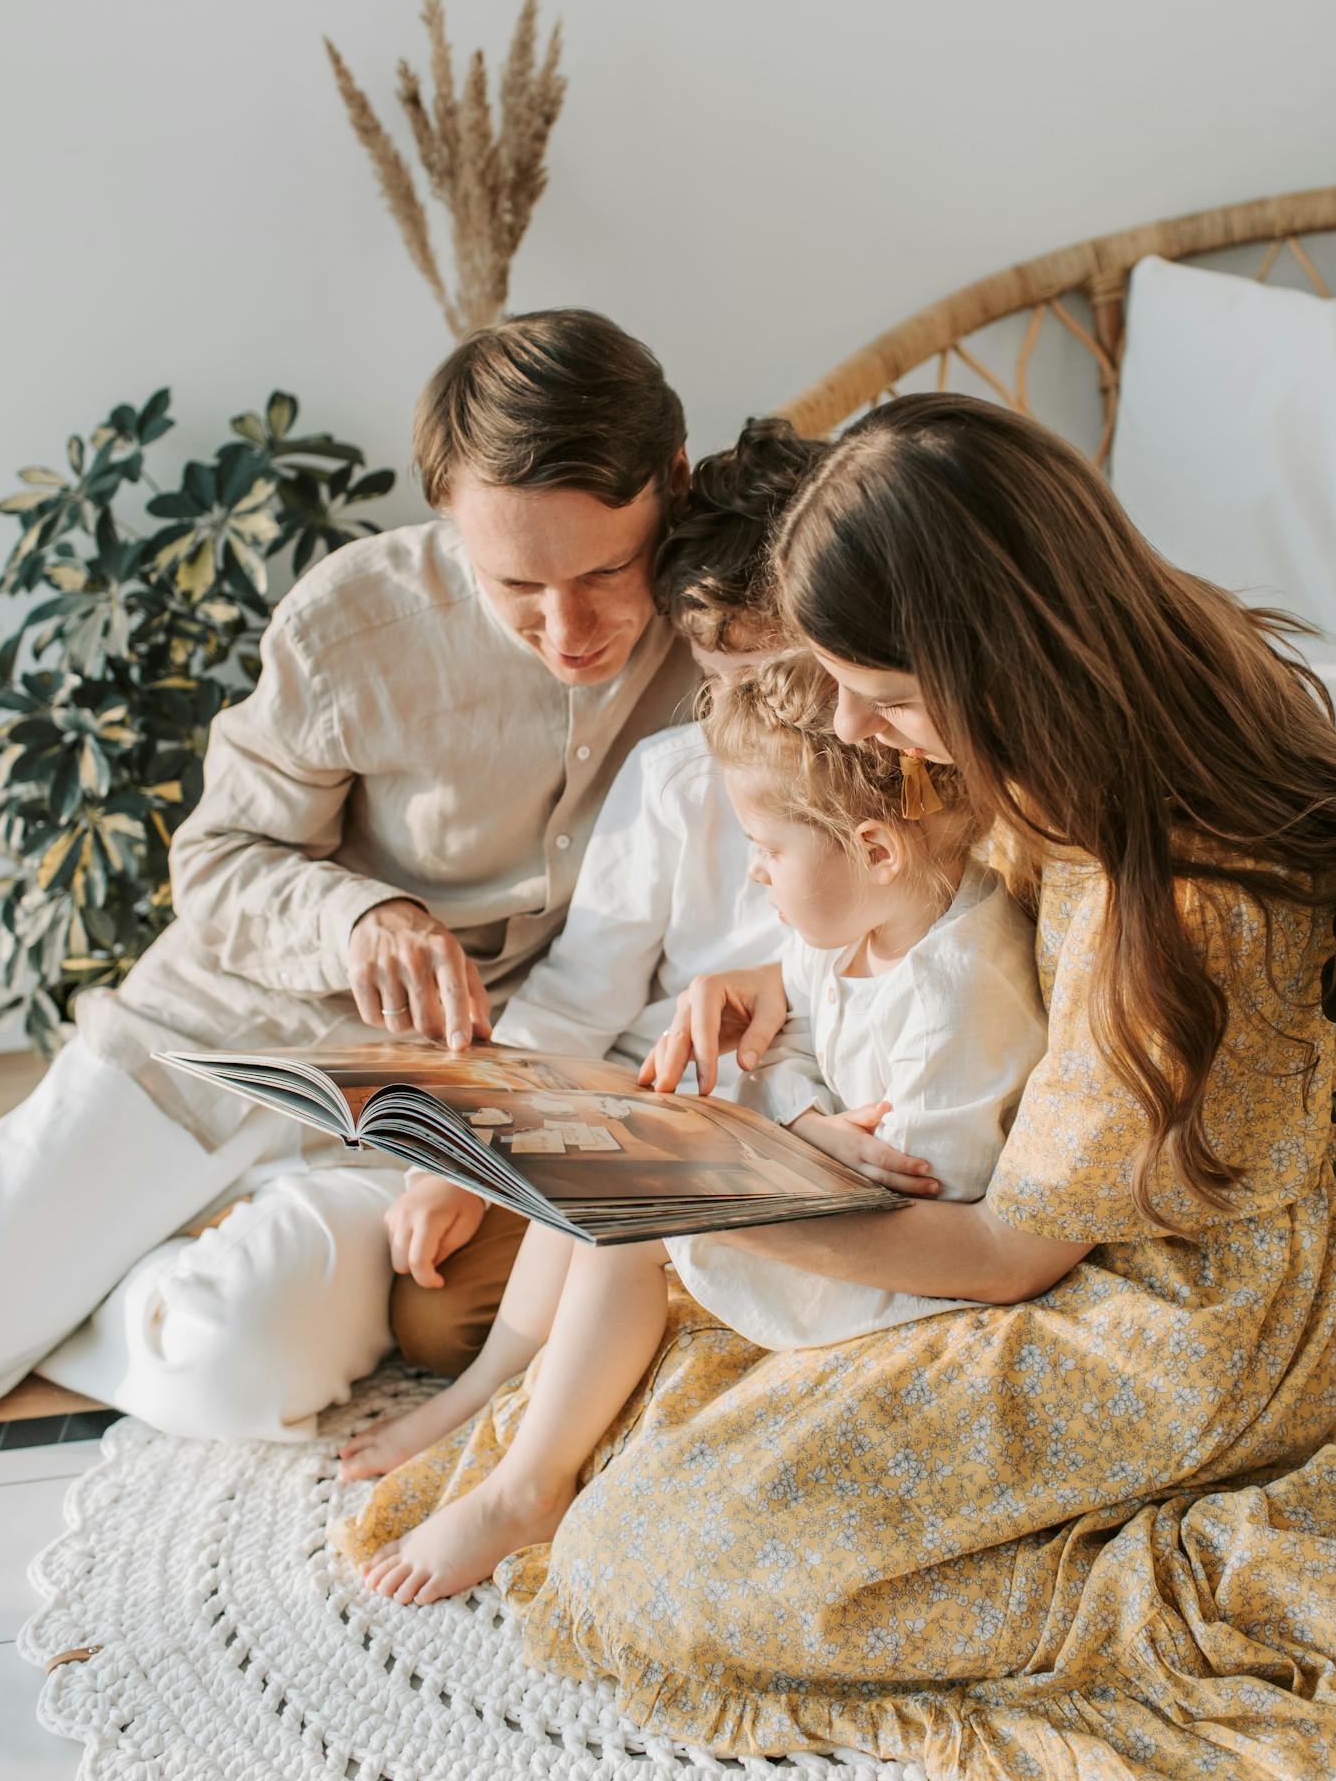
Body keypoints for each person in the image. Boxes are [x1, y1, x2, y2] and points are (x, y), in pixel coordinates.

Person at [349, 391, 1336, 1781]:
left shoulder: (1189, 903)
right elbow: (959, 906)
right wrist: (782, 974)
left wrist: (740, 1194)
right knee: (646, 1401)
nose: (847, 722)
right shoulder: (1061, 735)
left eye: (875, 693)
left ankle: (1190, 1576)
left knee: (652, 1565)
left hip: (1173, 1320)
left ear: (983, 653)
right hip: (1034, 1211)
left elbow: (1013, 1253)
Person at [0, 312, 696, 1438]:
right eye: (515, 582)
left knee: (241, 1372)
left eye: (608, 568)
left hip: (431, 1107)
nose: (568, 628)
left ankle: (88, 1273)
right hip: (228, 1039)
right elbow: (219, 862)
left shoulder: (727, 621)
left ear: (673, 482)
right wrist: (361, 922)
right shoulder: (356, 622)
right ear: (450, 521)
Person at [332, 651, 1046, 1603]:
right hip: (835, 1193)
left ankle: (525, 1488)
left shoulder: (959, 990)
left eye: (768, 849)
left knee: (636, 1223)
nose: (754, 875)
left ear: (876, 850)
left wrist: (774, 1162)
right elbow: (785, 1039)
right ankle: (488, 1395)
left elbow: (934, 1188)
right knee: (613, 1141)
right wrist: (794, 1119)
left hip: (903, 1278)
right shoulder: (858, 928)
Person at [382, 417, 833, 1373]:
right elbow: (580, 994)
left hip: (790, 1127)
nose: (752, 719)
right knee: (435, 1321)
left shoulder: (900, 774)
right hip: (641, 1104)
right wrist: (468, 1149)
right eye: (723, 682)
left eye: (779, 678)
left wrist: (786, 983)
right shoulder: (675, 780)